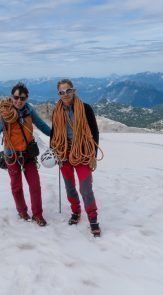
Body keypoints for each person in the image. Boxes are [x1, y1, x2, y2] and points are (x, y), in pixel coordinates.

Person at [0, 82, 51, 226]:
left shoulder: (29, 110)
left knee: (35, 186)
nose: (18, 101)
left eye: (22, 98)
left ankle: (37, 215)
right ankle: (22, 211)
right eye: (16, 97)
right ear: (11, 97)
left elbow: (41, 125)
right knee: (16, 186)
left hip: (28, 154)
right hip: (12, 155)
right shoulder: (6, 115)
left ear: (26, 98)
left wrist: (54, 135)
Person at [50, 78, 102, 236]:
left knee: (85, 187)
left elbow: (94, 132)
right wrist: (54, 151)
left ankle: (93, 219)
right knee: (69, 186)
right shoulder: (56, 111)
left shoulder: (85, 109)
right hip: (64, 152)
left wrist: (92, 154)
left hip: (82, 153)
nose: (65, 94)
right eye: (61, 92)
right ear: (58, 94)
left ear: (73, 91)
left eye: (68, 91)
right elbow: (54, 133)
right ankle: (76, 211)